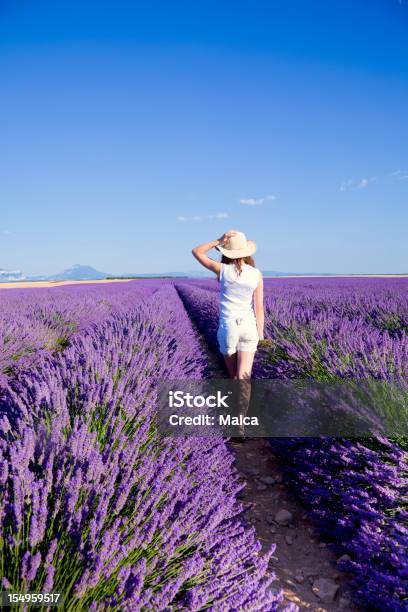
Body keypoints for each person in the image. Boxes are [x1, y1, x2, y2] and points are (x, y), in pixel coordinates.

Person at [192, 230, 264, 380]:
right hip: (249, 327)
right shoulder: (256, 274)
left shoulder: (222, 270)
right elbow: (259, 307)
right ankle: (243, 404)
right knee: (244, 378)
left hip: (229, 326)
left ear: (227, 252)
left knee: (233, 377)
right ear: (246, 251)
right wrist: (261, 335)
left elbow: (197, 252)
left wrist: (218, 241)